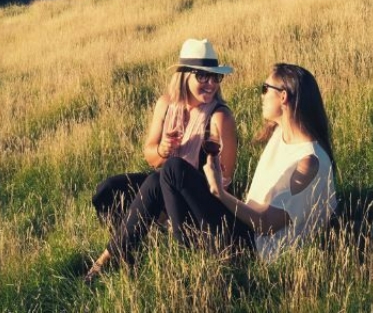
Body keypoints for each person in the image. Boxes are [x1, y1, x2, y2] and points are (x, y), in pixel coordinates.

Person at [85, 38, 237, 282]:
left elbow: (224, 185)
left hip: (196, 201)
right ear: (184, 76)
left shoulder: (220, 117)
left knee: (163, 176)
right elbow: (151, 155)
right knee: (107, 190)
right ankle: (127, 255)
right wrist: (164, 149)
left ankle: (104, 261)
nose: (211, 83)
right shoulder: (166, 105)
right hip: (163, 186)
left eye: (216, 77)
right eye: (202, 76)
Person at [159, 63, 337, 262]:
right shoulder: (282, 134)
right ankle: (126, 248)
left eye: (265, 89)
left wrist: (219, 192)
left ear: (283, 96)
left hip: (255, 250)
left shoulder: (309, 162)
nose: (261, 95)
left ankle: (185, 249)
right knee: (159, 178)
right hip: (245, 228)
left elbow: (267, 223)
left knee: (174, 170)